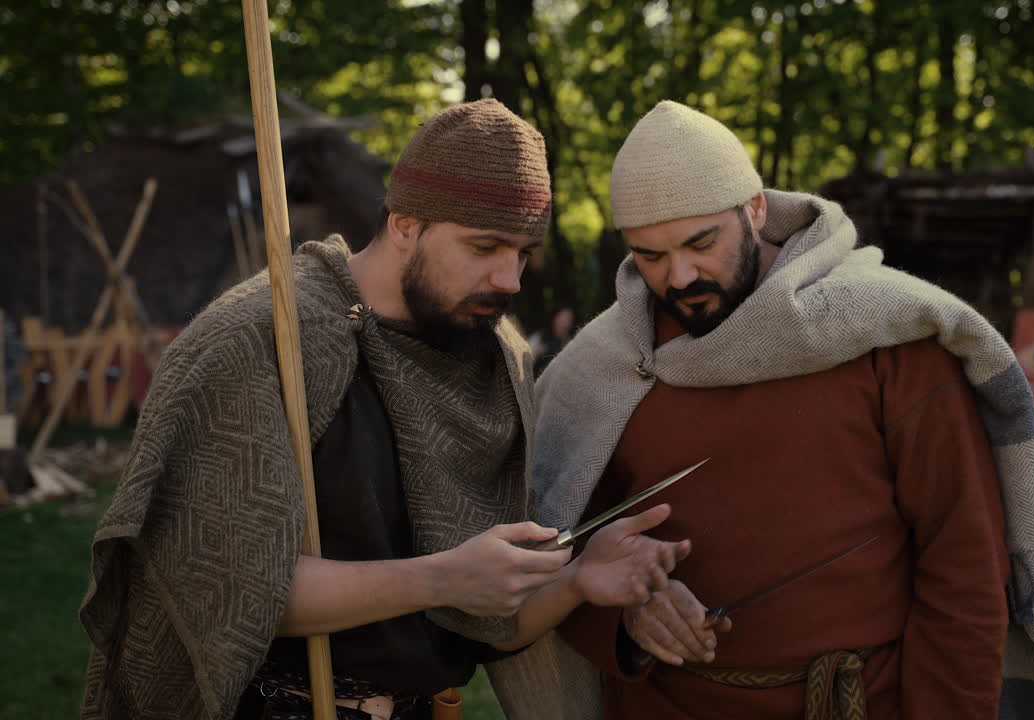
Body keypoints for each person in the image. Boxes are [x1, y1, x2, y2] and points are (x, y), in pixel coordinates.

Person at [78, 99, 690, 720]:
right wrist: (439, 578)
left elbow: (482, 621)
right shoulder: (262, 340)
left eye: (524, 252)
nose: (510, 279)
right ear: (404, 225)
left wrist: (579, 577)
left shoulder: (491, 355)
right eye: (485, 246)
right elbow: (217, 587)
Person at [510, 101, 1034, 720]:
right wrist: (625, 616)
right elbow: (556, 548)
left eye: (701, 242)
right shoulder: (606, 368)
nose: (678, 277)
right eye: (649, 256)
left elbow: (963, 564)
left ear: (756, 210)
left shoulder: (886, 336)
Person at [531, 305, 575, 377]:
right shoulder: (539, 337)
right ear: (554, 318)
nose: (564, 323)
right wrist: (537, 353)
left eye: (568, 320)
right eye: (561, 318)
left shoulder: (570, 344)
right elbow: (525, 362)